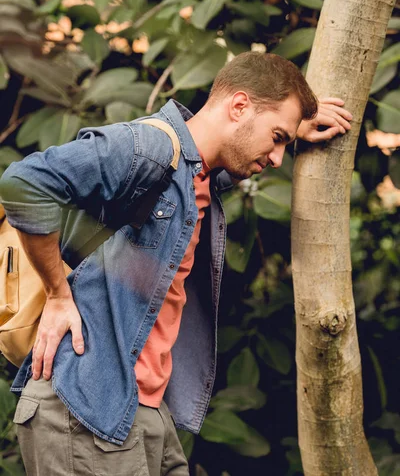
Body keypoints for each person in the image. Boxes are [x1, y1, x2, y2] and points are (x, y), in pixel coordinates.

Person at [0, 52, 352, 476]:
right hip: (86, 404)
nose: (278, 157)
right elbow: (23, 184)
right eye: (276, 137)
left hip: (142, 406)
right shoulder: (148, 149)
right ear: (239, 106)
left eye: (285, 143)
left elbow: (208, 176)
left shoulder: (194, 173)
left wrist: (295, 130)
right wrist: (58, 294)